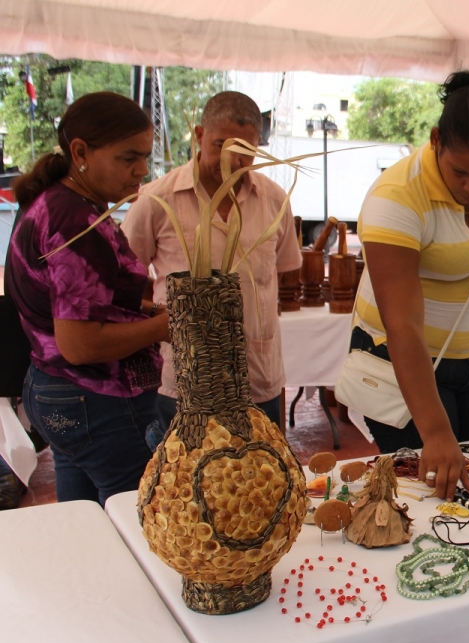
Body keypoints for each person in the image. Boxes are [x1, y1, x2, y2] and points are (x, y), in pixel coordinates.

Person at [352, 71, 469, 501]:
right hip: (409, 364)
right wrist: (434, 430)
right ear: (435, 140)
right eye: (460, 172)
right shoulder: (396, 197)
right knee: (430, 497)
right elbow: (403, 325)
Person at [5, 92, 170, 506]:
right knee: (142, 520)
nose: (141, 170)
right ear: (80, 151)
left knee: (85, 519)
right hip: (96, 398)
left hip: (53, 390)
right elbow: (79, 344)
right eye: (127, 157)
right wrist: (169, 325)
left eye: (145, 157)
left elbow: (85, 302)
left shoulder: (54, 203)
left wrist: (149, 310)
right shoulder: (76, 223)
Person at [123, 90, 302, 431]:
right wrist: (157, 316)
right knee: (184, 480)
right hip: (185, 380)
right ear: (200, 136)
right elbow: (120, 284)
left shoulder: (274, 200)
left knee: (262, 477)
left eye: (246, 151)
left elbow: (283, 275)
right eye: (221, 145)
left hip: (257, 376)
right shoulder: (157, 200)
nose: (232, 162)